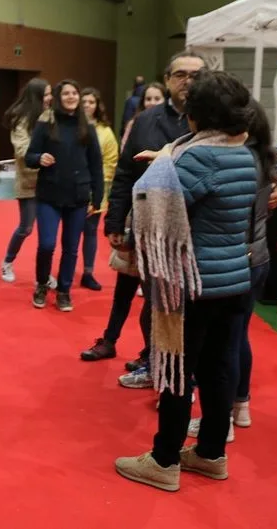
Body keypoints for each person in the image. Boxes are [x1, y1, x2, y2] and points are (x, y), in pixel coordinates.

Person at [114, 69, 257, 492]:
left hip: (193, 284)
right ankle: (211, 453)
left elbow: (154, 203)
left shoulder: (197, 158)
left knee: (177, 371)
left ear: (198, 113)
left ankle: (164, 460)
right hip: (234, 280)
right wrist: (168, 159)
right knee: (218, 369)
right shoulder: (243, 153)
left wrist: (162, 164)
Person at [187, 101, 277, 438]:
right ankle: (239, 406)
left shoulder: (235, 158)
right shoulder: (262, 157)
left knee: (220, 346)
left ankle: (222, 422)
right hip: (256, 259)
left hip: (234, 261)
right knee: (236, 337)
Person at [100, 51, 203, 383]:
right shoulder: (145, 121)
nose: (188, 81)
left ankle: (186, 372)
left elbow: (260, 156)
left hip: (202, 231)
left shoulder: (221, 117)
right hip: (153, 231)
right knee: (156, 305)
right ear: (167, 79)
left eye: (196, 75)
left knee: (195, 308)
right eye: (181, 74)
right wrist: (115, 220)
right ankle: (157, 364)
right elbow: (125, 173)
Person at [24, 80, 103, 312]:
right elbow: (29, 156)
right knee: (47, 244)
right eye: (66, 93)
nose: (71, 97)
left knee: (71, 247)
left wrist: (97, 198)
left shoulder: (87, 127)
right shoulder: (46, 124)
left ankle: (64, 291)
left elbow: (96, 165)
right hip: (49, 194)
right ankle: (42, 284)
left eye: (74, 93)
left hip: (78, 196)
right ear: (58, 98)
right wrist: (39, 158)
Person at [0, 79, 56, 286]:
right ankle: (7, 262)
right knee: (26, 227)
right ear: (36, 96)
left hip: (50, 180)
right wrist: (41, 156)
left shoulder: (51, 115)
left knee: (48, 232)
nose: (50, 98)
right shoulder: (21, 120)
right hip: (29, 180)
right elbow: (22, 149)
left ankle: (44, 274)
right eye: (46, 94)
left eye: (50, 94)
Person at [79, 88, 119, 291]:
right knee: (69, 233)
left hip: (95, 188)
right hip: (73, 187)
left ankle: (88, 272)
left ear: (97, 106)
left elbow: (110, 162)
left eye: (91, 102)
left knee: (90, 231)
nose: (87, 105)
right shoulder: (71, 126)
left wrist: (96, 187)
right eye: (84, 101)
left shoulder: (105, 132)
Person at [122, 82, 166, 151]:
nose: (152, 103)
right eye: (148, 99)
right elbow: (125, 150)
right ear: (143, 102)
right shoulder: (133, 123)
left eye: (157, 99)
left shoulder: (172, 122)